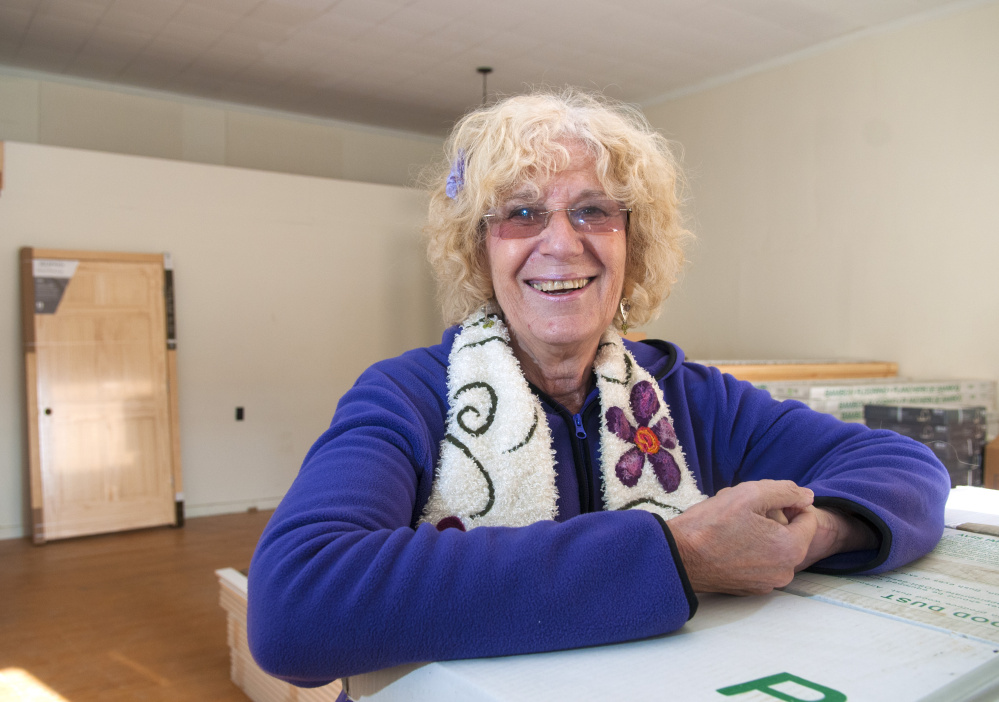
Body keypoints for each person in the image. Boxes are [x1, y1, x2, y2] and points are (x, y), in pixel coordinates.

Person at [247, 89, 950, 689]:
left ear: (631, 245)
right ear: (478, 250)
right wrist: (678, 557)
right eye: (521, 213)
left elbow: (906, 468)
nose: (560, 241)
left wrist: (813, 536)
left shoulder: (692, 397)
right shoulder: (407, 396)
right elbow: (295, 606)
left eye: (592, 211)